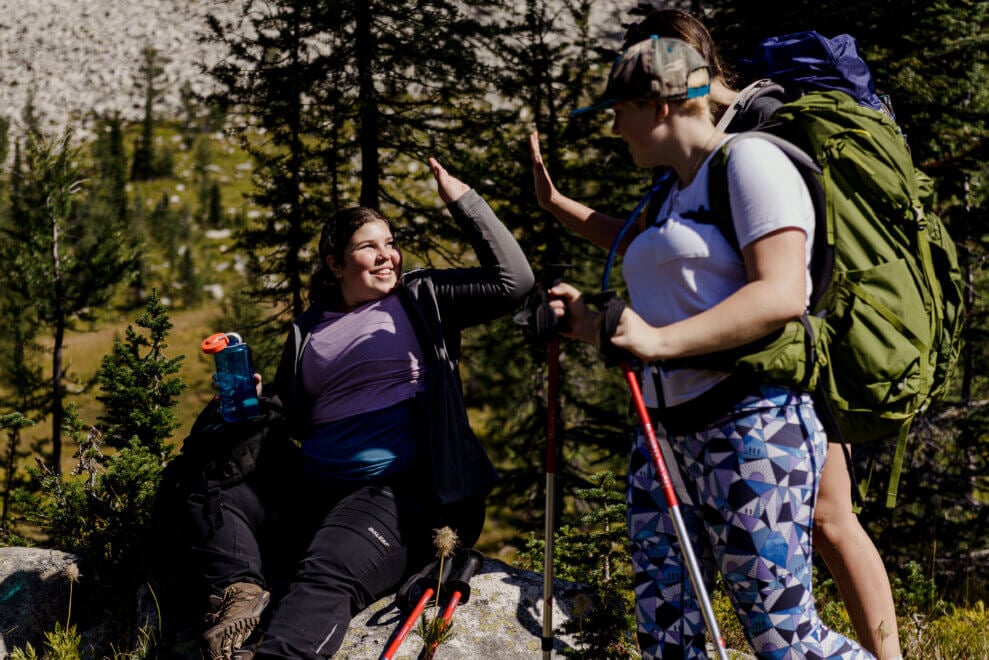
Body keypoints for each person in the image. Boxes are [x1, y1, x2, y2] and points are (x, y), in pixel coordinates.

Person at [530, 9, 902, 659]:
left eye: (620, 110)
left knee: (780, 638)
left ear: (661, 106)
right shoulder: (671, 192)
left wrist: (657, 344)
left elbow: (781, 293)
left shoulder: (750, 164)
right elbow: (670, 307)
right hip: (663, 437)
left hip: (750, 428)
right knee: (667, 635)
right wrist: (592, 324)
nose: (613, 127)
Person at [175, 157, 534, 659]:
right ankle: (240, 591)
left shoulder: (422, 297)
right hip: (319, 487)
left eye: (391, 244)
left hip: (399, 489)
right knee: (207, 480)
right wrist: (254, 401)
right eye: (369, 246)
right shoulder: (309, 328)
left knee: (328, 569)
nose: (388, 256)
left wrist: (463, 199)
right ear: (336, 264)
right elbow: (294, 412)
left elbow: (513, 281)